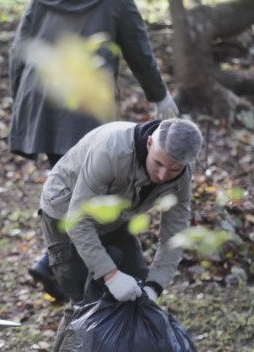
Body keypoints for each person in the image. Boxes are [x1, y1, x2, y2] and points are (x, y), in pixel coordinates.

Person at [9, 0, 180, 302]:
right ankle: (58, 268)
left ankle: (60, 272)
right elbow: (140, 52)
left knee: (71, 185)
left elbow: (19, 52)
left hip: (40, 102)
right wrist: (161, 97)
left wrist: (19, 102)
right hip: (83, 107)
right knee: (89, 193)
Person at [39, 118, 201, 304]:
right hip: (65, 210)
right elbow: (78, 221)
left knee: (138, 289)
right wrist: (111, 275)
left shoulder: (182, 176)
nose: (163, 176)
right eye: (158, 163)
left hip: (115, 215)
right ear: (149, 143)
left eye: (173, 170)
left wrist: (154, 286)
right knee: (87, 302)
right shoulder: (111, 150)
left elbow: (174, 236)